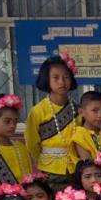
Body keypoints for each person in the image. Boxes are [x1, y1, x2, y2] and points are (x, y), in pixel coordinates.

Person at [24, 55, 80, 190]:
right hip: (49, 170)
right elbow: (32, 144)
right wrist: (43, 162)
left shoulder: (78, 109)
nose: (62, 82)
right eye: (55, 77)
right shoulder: (37, 111)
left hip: (76, 169)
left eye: (66, 77)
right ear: (47, 79)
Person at [70, 91, 101, 176]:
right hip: (94, 179)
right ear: (81, 112)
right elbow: (88, 166)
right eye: (95, 110)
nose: (100, 115)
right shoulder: (80, 136)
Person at [0, 94, 34, 185]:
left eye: (15, 121)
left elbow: (29, 175)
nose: (12, 125)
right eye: (7, 121)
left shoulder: (20, 147)